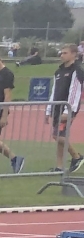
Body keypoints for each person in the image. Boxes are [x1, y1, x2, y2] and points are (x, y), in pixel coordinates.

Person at [49, 42, 78, 171]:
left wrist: (68, 110)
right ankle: (59, 166)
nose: (62, 55)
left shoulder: (77, 70)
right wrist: (49, 109)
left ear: (74, 54)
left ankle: (76, 157)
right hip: (57, 107)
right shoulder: (59, 71)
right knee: (60, 136)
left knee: (58, 136)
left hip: (67, 108)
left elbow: (74, 92)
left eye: (65, 53)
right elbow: (54, 91)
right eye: (61, 53)